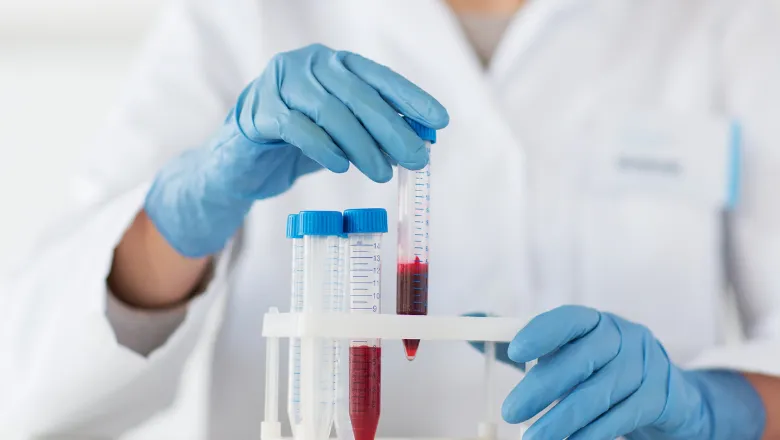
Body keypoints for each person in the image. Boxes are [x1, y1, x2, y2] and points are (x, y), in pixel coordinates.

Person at [3, 0, 780, 438]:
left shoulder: (725, 20)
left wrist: (721, 409)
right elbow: (30, 383)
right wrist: (179, 219)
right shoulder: (239, 19)